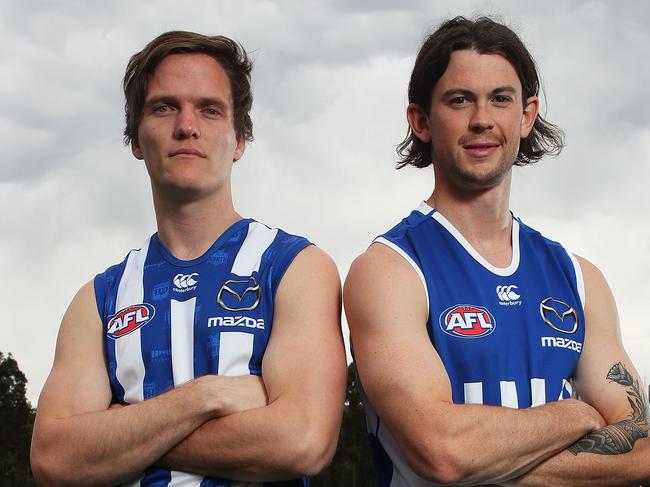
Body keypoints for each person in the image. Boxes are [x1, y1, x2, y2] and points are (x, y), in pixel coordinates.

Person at [31, 31, 346, 487]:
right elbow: (55, 461)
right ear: (135, 138)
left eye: (209, 109)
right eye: (164, 107)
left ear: (240, 139)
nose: (187, 126)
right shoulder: (98, 300)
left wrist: (121, 433)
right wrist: (206, 397)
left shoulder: (294, 268)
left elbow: (303, 441)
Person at [344, 16, 649, 487]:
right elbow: (444, 453)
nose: (482, 119)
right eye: (460, 99)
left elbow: (642, 449)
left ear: (526, 116)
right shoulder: (389, 270)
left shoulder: (578, 277)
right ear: (421, 120)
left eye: (500, 99)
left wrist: (488, 462)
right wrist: (573, 415)